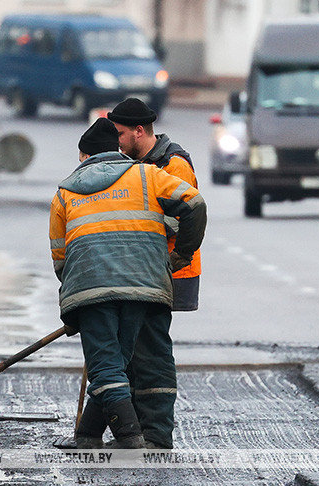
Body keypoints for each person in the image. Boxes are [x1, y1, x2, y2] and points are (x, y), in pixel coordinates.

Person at [49, 118, 206, 448]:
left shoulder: (64, 193)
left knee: (106, 366)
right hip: (145, 285)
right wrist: (180, 255)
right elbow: (193, 204)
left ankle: (129, 434)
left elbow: (60, 257)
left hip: (91, 289)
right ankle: (90, 435)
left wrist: (77, 294)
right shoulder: (149, 175)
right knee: (124, 361)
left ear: (83, 156)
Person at [107, 98, 201, 448]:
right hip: (144, 271)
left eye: (120, 134)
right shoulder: (137, 163)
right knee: (134, 349)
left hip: (169, 271)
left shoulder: (173, 163)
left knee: (151, 350)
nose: (116, 141)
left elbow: (181, 217)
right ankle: (138, 432)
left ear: (139, 131)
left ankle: (156, 434)